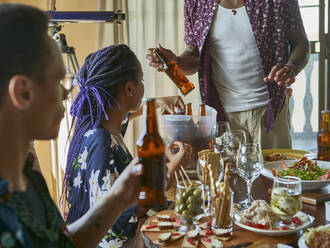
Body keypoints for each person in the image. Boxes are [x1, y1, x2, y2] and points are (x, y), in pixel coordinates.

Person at [0, 3, 145, 248]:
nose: (68, 94)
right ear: (23, 92)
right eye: (59, 80)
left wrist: (119, 197)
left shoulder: (28, 176)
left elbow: (61, 243)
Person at [62, 44, 189, 247]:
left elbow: (128, 113)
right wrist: (171, 168)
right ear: (129, 88)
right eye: (141, 81)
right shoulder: (102, 144)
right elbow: (118, 224)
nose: (142, 85)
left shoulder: (99, 124)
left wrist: (158, 102)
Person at [147, 0, 310, 149]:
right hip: (222, 115)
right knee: (226, 179)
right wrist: (176, 62)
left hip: (270, 110)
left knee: (274, 176)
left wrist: (291, 67)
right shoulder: (195, 3)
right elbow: (195, 54)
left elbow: (301, 42)